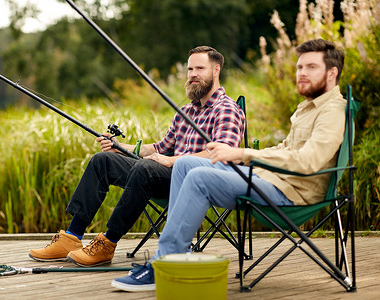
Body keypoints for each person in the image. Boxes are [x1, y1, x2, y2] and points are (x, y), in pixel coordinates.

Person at [111, 38, 346, 291]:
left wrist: (245, 153)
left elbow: (308, 161)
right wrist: (236, 154)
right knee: (186, 164)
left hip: (291, 192)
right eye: (299, 67)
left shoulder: (332, 111)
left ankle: (164, 263)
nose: (301, 73)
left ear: (332, 73)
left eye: (311, 67)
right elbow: (285, 149)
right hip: (269, 179)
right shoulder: (307, 108)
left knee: (199, 178)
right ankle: (179, 254)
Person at [29, 46, 246, 266]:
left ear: (216, 70)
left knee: (146, 169)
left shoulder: (225, 108)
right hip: (165, 176)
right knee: (102, 161)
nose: (193, 74)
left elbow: (223, 153)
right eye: (190, 69)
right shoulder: (186, 111)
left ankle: (107, 243)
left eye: (200, 68)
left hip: (196, 182)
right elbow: (159, 147)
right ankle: (72, 237)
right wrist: (119, 147)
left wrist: (170, 160)